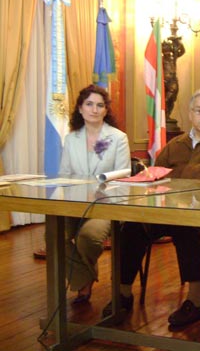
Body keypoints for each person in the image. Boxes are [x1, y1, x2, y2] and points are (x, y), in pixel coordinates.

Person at [102, 89, 200, 326]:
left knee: (187, 228)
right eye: (198, 110)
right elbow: (155, 177)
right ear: (190, 114)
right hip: (167, 211)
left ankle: (196, 301)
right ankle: (123, 294)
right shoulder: (174, 145)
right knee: (132, 227)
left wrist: (192, 203)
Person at [60, 84, 131, 304]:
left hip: (106, 204)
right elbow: (64, 175)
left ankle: (83, 283)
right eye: (89, 104)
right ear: (80, 108)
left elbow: (123, 178)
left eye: (100, 105)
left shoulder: (118, 138)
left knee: (88, 237)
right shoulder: (71, 139)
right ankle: (84, 279)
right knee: (53, 236)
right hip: (74, 203)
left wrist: (98, 193)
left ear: (105, 110)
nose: (94, 109)